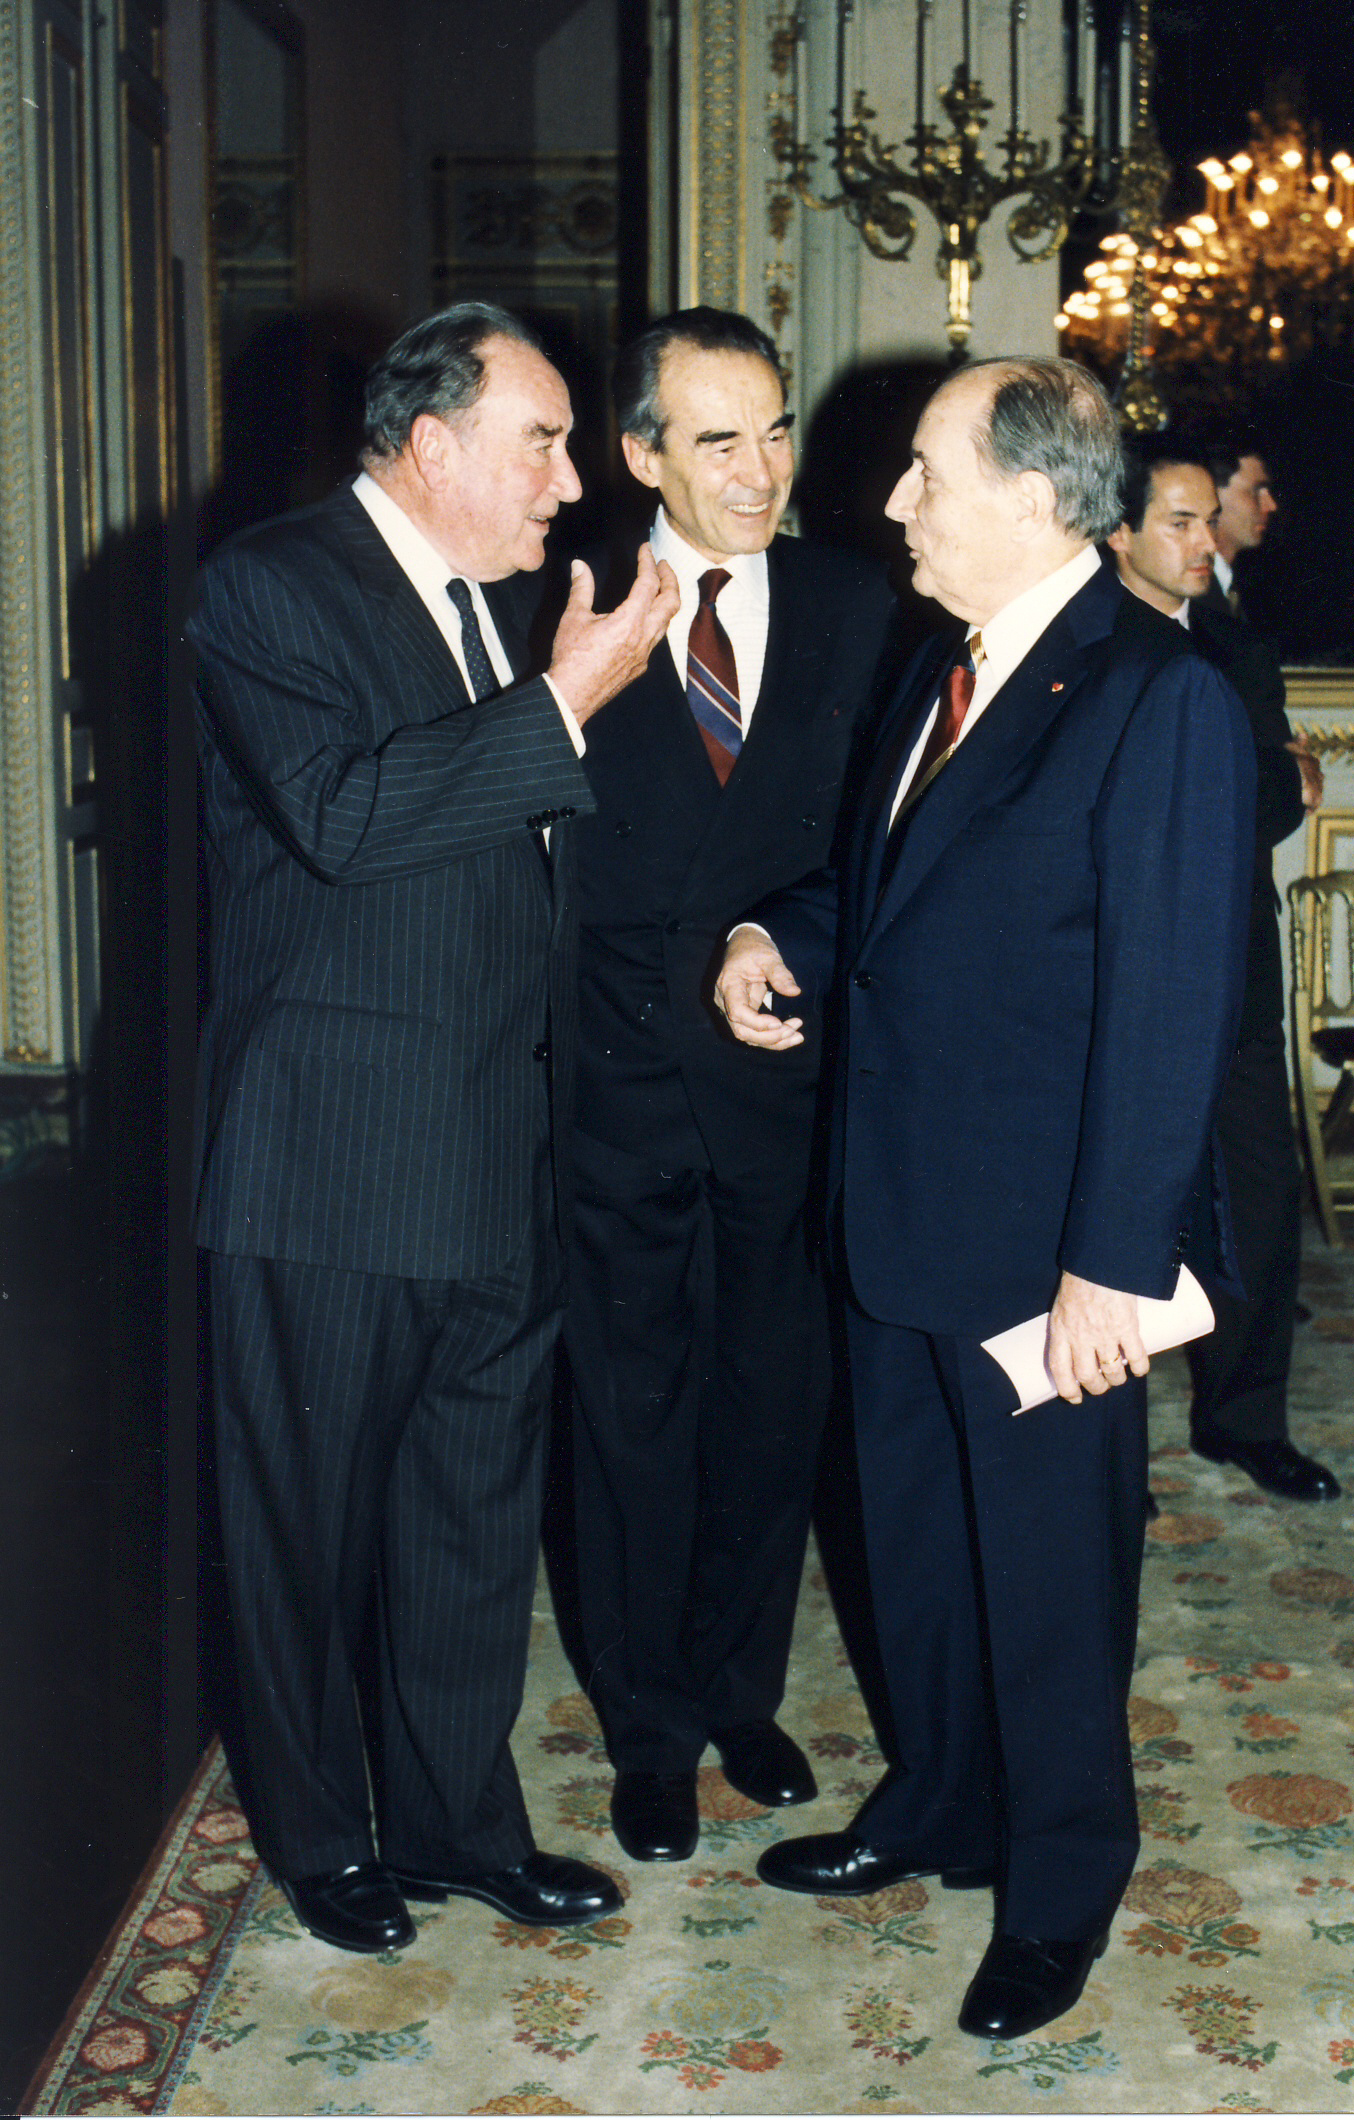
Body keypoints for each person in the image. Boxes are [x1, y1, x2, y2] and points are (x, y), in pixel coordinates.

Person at [715, 357, 1255, 2042]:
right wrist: (770, 934)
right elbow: (881, 882)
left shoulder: (1154, 698)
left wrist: (1111, 1263)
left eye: (922, 474)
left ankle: (1060, 1884)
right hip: (896, 1211)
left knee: (1045, 1579)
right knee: (912, 1550)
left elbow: (1174, 1007)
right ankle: (936, 1801)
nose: (889, 502)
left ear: (1030, 498)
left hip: (1043, 1248)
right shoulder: (943, 662)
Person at [190, 303, 679, 1954]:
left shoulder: (504, 604)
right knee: (303, 1535)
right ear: (433, 442)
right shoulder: (271, 584)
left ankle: (465, 1824)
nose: (568, 479)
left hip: (490, 1148)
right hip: (327, 1159)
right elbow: (340, 821)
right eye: (540, 441)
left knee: (469, 1521)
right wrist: (565, 705)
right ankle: (326, 1837)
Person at [564, 308, 894, 1863]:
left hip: (786, 1088)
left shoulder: (856, 605)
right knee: (633, 1425)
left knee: (773, 1410)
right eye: (715, 439)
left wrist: (786, 940)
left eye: (772, 430)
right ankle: (643, 1732)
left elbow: (880, 857)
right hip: (614, 1098)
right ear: (639, 456)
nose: (758, 469)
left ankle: (737, 1698)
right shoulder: (552, 612)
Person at [1108, 435, 1339, 1502]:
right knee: (1114, 1211)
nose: (1208, 543)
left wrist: (1259, 779)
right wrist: (1255, 776)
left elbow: (1284, 799)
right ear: (1118, 528)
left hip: (1235, 971)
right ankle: (1104, 1449)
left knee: (1256, 1190)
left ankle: (1243, 1420)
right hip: (1111, 979)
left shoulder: (1235, 646)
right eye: (1182, 522)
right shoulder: (1087, 640)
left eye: (1211, 519)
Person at [1203, 435, 1278, 615]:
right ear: (1213, 494)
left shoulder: (1241, 586)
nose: (1271, 505)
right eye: (1255, 491)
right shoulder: (1185, 594)